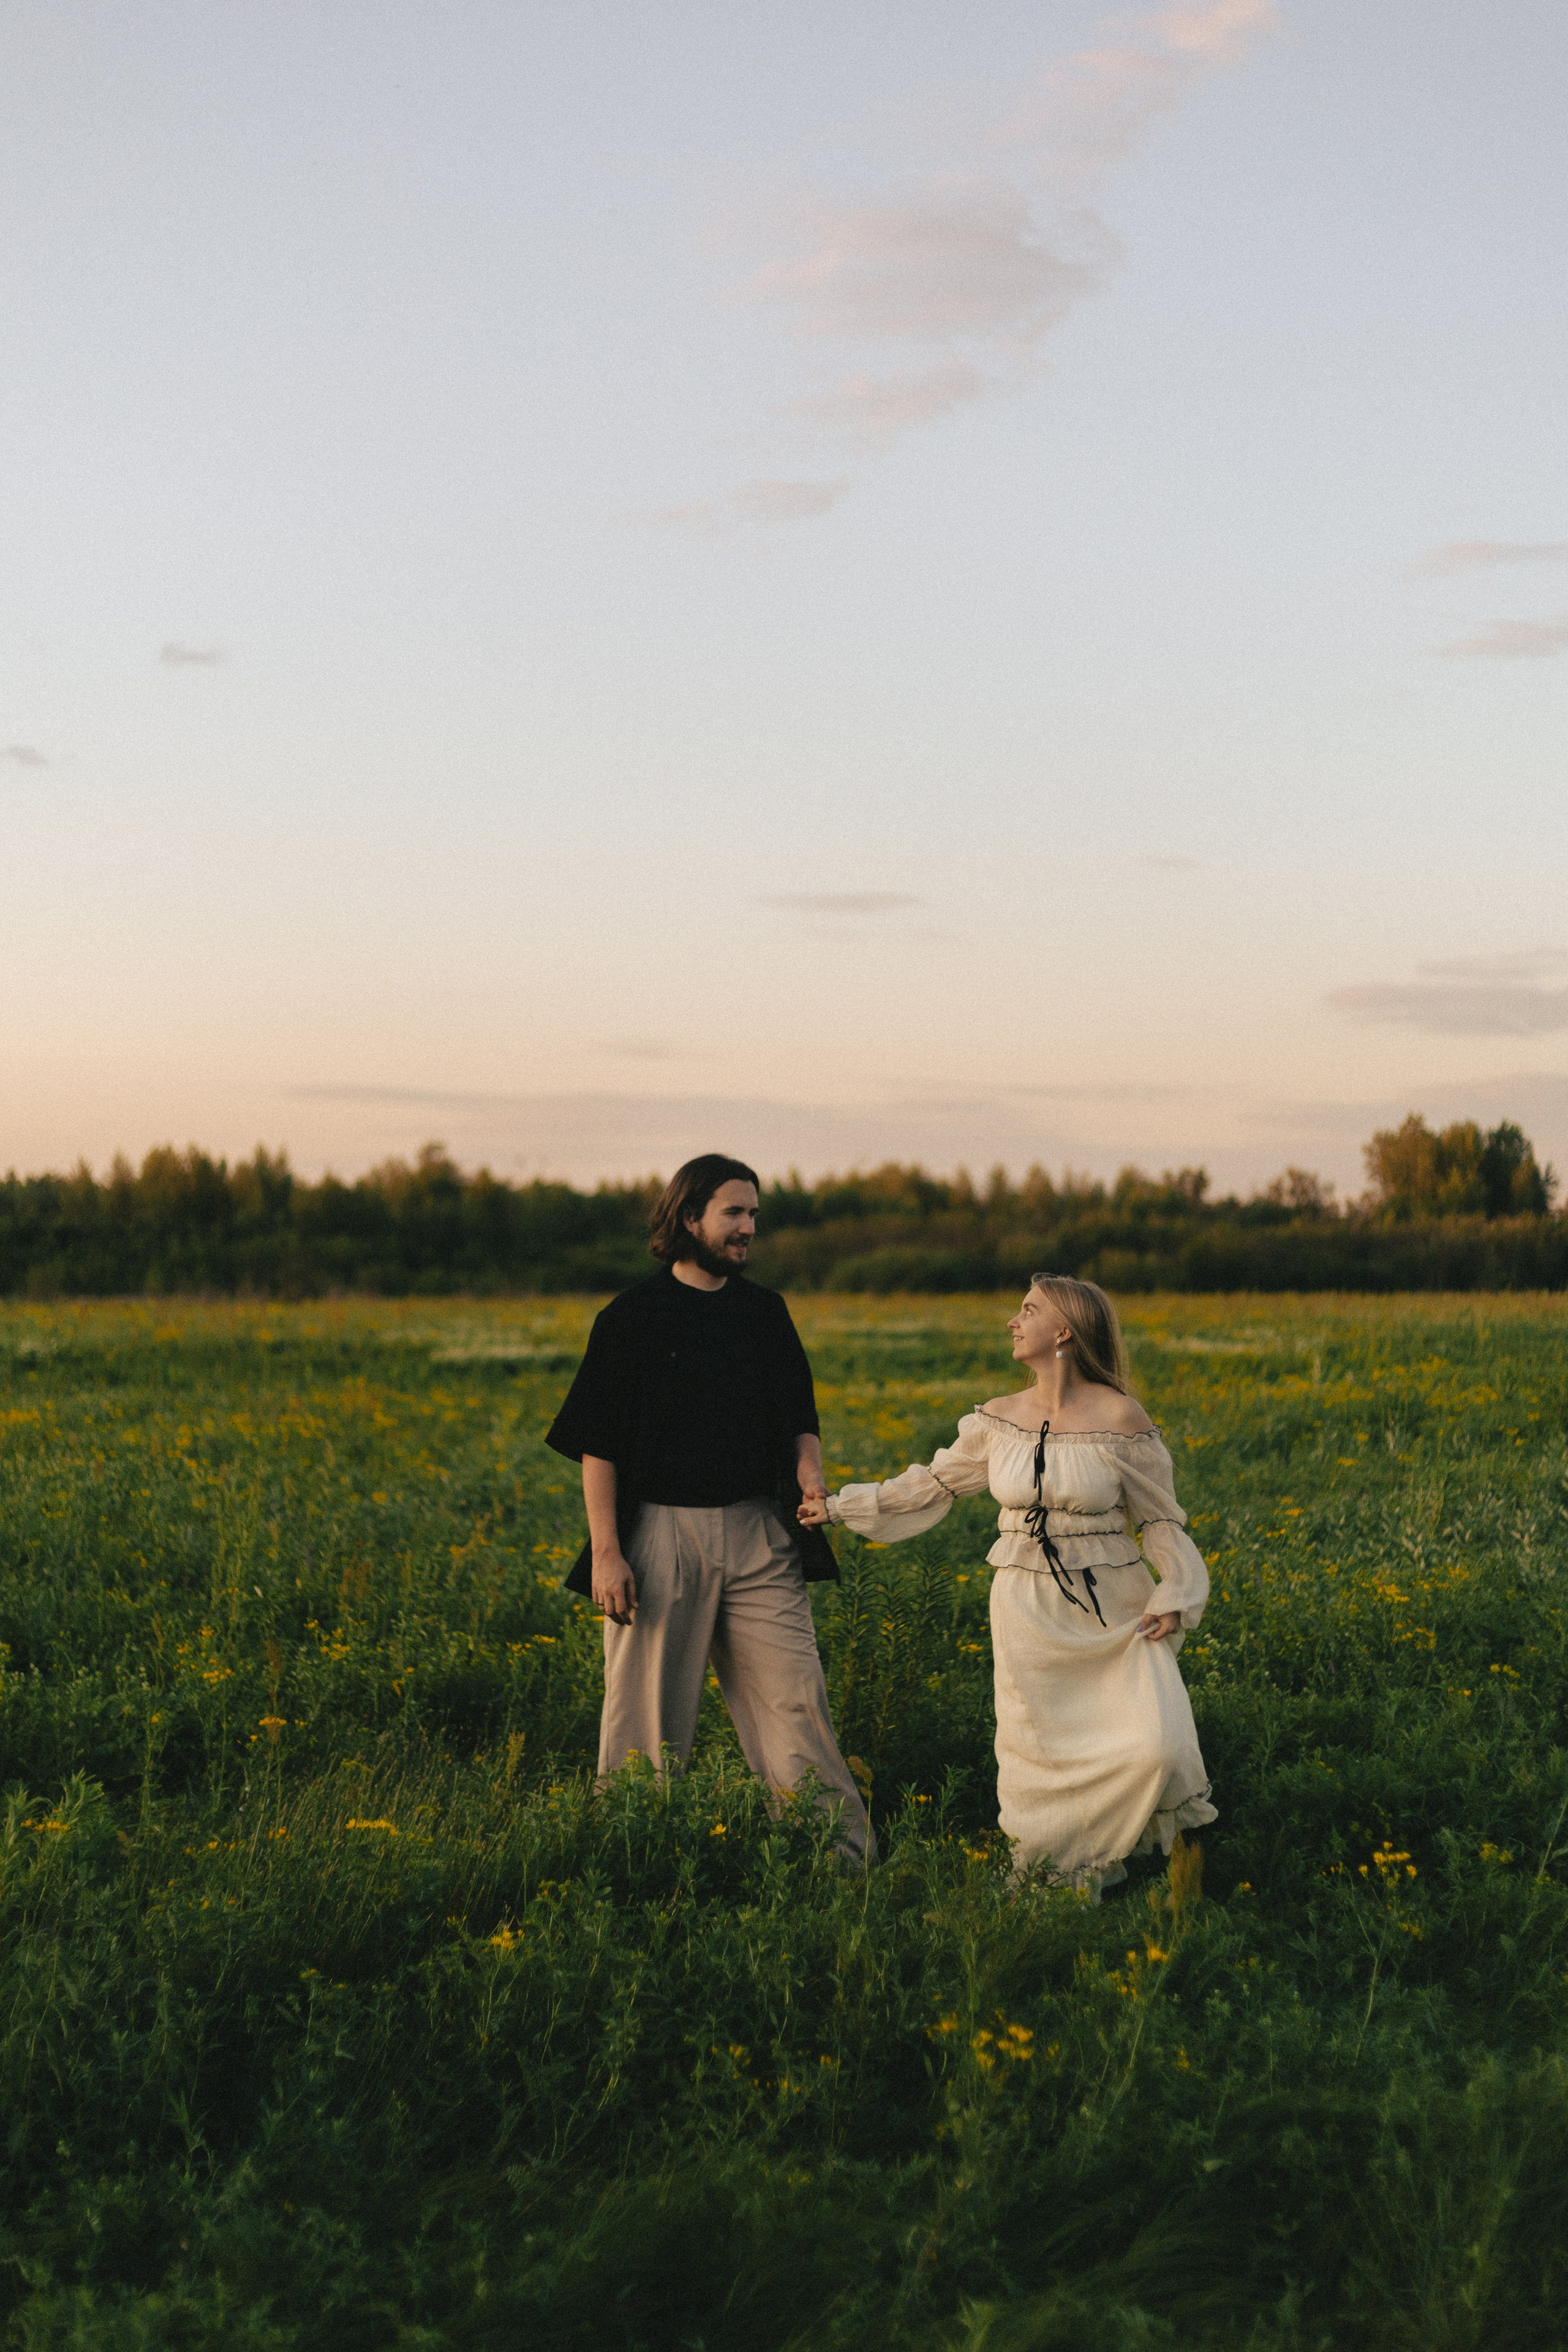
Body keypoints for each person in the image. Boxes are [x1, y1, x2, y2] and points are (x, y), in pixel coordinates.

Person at [798, 1272, 1213, 1894]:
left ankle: (1128, 1857)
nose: (1013, 1321)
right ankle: (1049, 1873)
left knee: (1154, 1743)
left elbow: (1159, 1519)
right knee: (1036, 1750)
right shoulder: (998, 1418)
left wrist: (1177, 1595)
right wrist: (839, 1507)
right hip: (1025, 1605)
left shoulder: (1120, 1417)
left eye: (1028, 1310)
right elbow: (930, 1486)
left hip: (1114, 1607)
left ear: (1064, 1331)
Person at [546, 1152, 874, 1863]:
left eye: (753, 1214)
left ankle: (838, 1866)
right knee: (647, 1716)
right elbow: (596, 1445)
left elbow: (799, 1421)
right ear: (688, 1217)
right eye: (734, 1213)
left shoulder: (765, 1313)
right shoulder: (631, 1318)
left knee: (796, 1703)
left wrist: (809, 1475)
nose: (747, 1228)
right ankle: (635, 1863)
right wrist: (607, 1552)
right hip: (660, 1536)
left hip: (762, 1532)